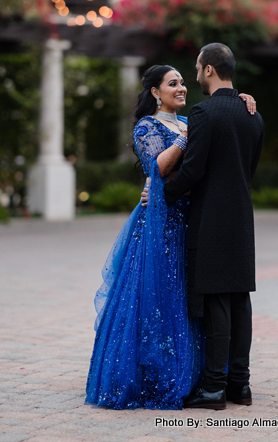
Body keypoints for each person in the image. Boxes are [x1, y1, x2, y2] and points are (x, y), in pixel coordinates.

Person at [85, 63, 256, 410]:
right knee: (158, 298)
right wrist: (184, 138)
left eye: (182, 82)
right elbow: (157, 168)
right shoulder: (146, 126)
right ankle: (157, 374)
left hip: (192, 220)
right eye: (172, 83)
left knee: (190, 300)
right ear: (155, 92)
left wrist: (240, 100)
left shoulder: (192, 120)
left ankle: (198, 377)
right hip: (160, 225)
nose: (181, 88)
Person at [163, 43, 264, 410]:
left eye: (196, 68)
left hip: (211, 218)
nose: (194, 75)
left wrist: (162, 195)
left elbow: (193, 170)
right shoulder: (253, 115)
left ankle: (213, 389)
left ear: (208, 70)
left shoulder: (203, 113)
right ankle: (241, 386)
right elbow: (247, 170)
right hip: (242, 216)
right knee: (240, 301)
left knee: (218, 302)